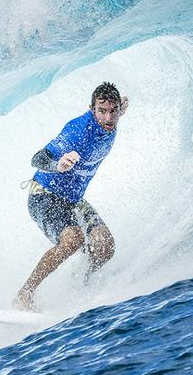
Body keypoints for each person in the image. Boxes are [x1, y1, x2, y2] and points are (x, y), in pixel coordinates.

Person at [14, 82, 129, 311]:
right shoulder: (78, 132)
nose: (108, 117)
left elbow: (115, 109)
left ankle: (79, 285)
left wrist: (122, 107)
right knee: (73, 239)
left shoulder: (111, 119)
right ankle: (24, 294)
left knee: (104, 247)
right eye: (102, 111)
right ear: (91, 109)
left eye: (113, 110)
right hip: (44, 194)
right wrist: (58, 164)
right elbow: (37, 158)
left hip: (73, 199)